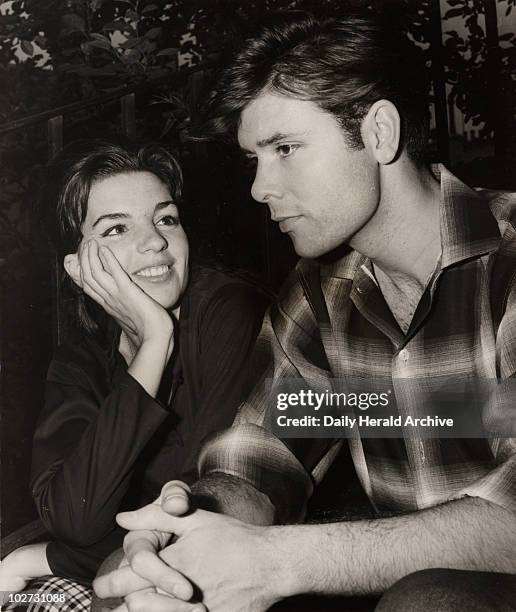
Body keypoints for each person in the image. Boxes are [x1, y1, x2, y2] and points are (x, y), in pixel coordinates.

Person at [93, 11, 516, 612]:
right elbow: (264, 456)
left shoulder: (509, 264)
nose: (259, 188)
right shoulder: (322, 296)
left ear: (379, 133)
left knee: (431, 600)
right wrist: (187, 522)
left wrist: (277, 562)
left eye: (285, 148)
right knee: (135, 574)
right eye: (253, 159)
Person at [0, 139, 268, 608]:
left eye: (165, 218)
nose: (156, 241)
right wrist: (154, 342)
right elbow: (74, 517)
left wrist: (43, 559)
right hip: (126, 568)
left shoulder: (229, 311)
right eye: (117, 228)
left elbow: (207, 512)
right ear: (78, 266)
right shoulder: (79, 362)